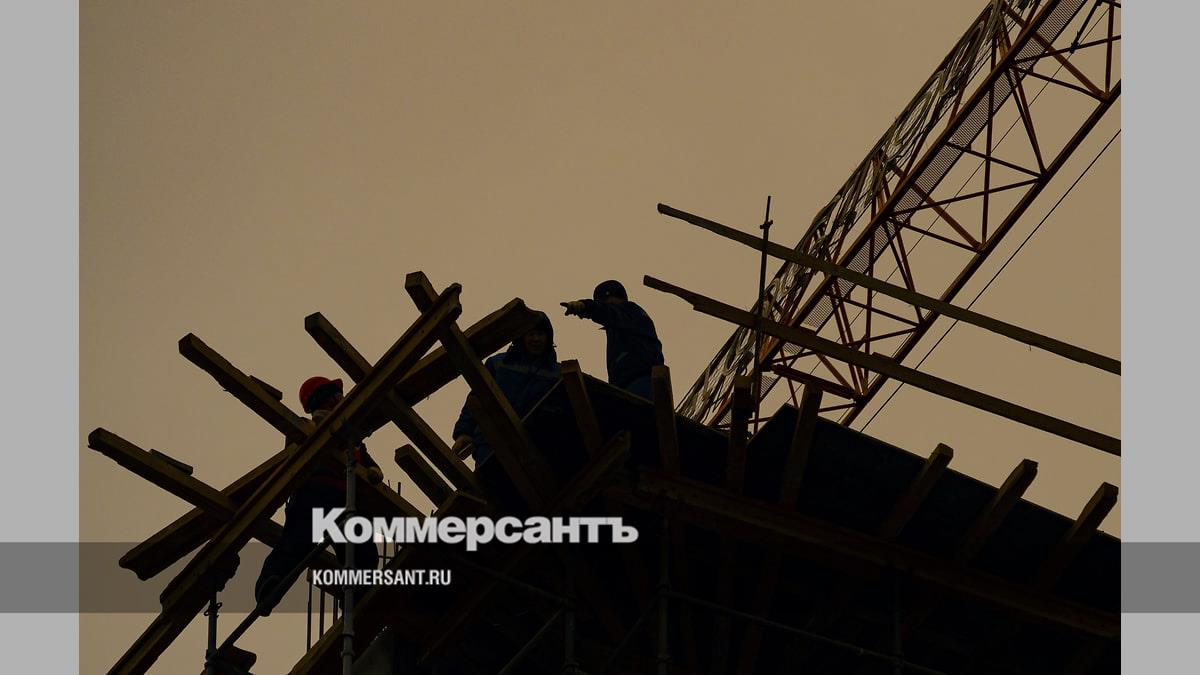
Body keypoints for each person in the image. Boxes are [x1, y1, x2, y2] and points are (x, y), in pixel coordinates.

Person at [254, 376, 383, 616]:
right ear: (329, 399)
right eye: (338, 396)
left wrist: (372, 470)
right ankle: (270, 585)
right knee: (296, 543)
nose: (343, 399)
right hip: (314, 495)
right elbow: (292, 456)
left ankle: (356, 596)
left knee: (362, 552)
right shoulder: (305, 427)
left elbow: (367, 462)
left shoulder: (353, 438)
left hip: (346, 501)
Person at [450, 313, 561, 494]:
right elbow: (475, 400)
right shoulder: (498, 364)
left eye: (540, 334)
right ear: (522, 336)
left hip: (533, 454)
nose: (536, 339)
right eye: (531, 334)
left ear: (548, 338)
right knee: (489, 497)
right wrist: (464, 432)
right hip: (490, 446)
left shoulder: (558, 374)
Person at [561, 280, 664, 399]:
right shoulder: (624, 321)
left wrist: (585, 306)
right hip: (628, 385)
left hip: (640, 381)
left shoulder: (629, 311)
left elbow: (604, 311)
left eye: (604, 302)